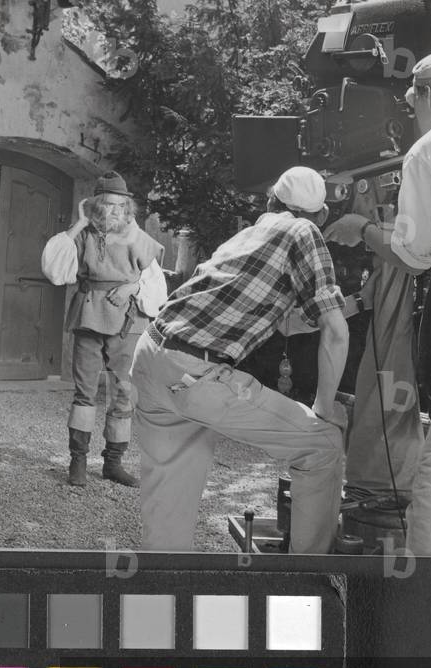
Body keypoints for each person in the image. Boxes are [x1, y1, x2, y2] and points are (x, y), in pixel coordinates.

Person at [130, 166, 350, 553]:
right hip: (196, 372)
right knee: (323, 445)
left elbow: (286, 324)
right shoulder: (303, 230)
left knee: (169, 517)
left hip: (152, 355)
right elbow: (335, 332)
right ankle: (309, 578)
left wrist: (358, 303)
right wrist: (324, 408)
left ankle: (163, 584)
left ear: (271, 201)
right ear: (322, 214)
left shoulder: (249, 236)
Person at [325, 52, 431, 555]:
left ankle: (421, 574)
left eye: (415, 104)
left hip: (430, 311)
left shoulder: (428, 152)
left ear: (427, 95)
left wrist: (364, 229)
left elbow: (413, 254)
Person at [41, 171, 167, 488]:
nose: (114, 211)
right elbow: (54, 270)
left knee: (124, 391)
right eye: (107, 205)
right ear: (96, 205)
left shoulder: (139, 239)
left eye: (120, 205)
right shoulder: (82, 235)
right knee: (84, 392)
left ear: (127, 207)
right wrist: (80, 223)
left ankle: (113, 463)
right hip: (89, 314)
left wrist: (132, 287)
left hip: (129, 319)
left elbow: (157, 287)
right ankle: (78, 461)